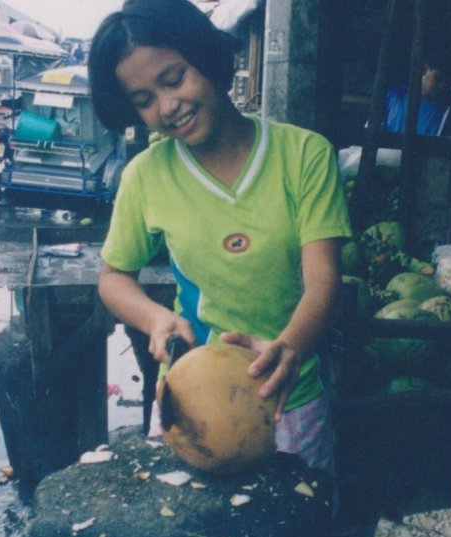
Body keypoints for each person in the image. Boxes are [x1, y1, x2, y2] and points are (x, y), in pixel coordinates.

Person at [88, 0, 352, 474]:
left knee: (297, 531)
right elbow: (113, 277)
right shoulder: (145, 176)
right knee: (183, 533)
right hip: (189, 401)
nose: (168, 107)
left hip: (290, 397)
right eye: (144, 100)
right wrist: (154, 319)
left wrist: (288, 349)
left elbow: (323, 280)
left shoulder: (305, 155)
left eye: (174, 79)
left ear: (207, 58)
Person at [382, 53, 451, 136]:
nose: (443, 85)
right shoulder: (393, 96)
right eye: (438, 78)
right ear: (424, 70)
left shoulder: (447, 112)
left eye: (447, 81)